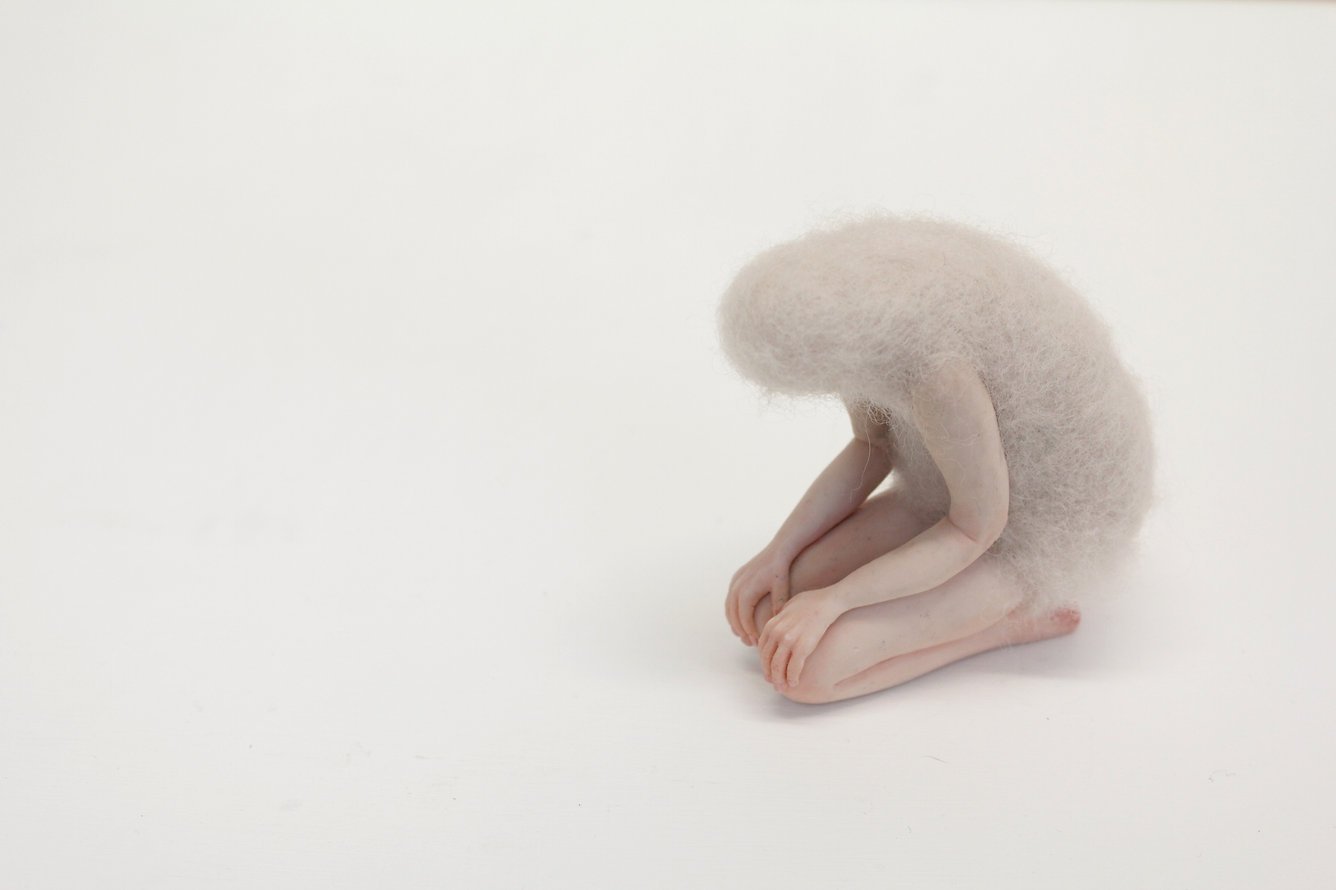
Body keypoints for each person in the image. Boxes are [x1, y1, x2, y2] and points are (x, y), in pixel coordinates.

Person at [718, 214, 1155, 704]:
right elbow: (872, 446)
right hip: (947, 494)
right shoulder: (862, 332)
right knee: (768, 610)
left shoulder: (936, 371)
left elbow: (973, 530)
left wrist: (834, 601)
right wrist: (779, 551)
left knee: (805, 675)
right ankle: (959, 612)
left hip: (1031, 538)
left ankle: (1009, 623)